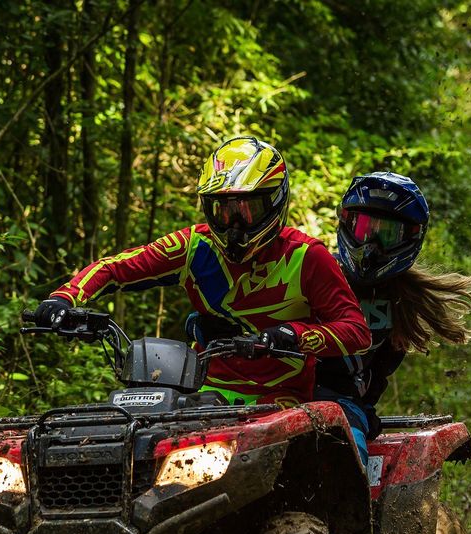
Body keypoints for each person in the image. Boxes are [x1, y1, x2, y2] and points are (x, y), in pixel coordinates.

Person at [34, 135, 370, 407]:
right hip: (202, 392)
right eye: (223, 211)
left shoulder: (306, 256)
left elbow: (356, 331)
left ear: (274, 202)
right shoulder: (193, 245)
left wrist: (294, 336)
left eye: (247, 211)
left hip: (280, 400)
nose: (234, 225)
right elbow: (114, 268)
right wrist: (63, 299)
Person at [314, 171, 471, 466]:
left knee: (347, 465)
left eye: (387, 234)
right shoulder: (315, 273)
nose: (372, 245)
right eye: (365, 229)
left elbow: (380, 371)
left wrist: (363, 405)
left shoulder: (404, 300)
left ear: (410, 238)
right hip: (284, 394)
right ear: (347, 222)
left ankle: (357, 510)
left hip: (342, 408)